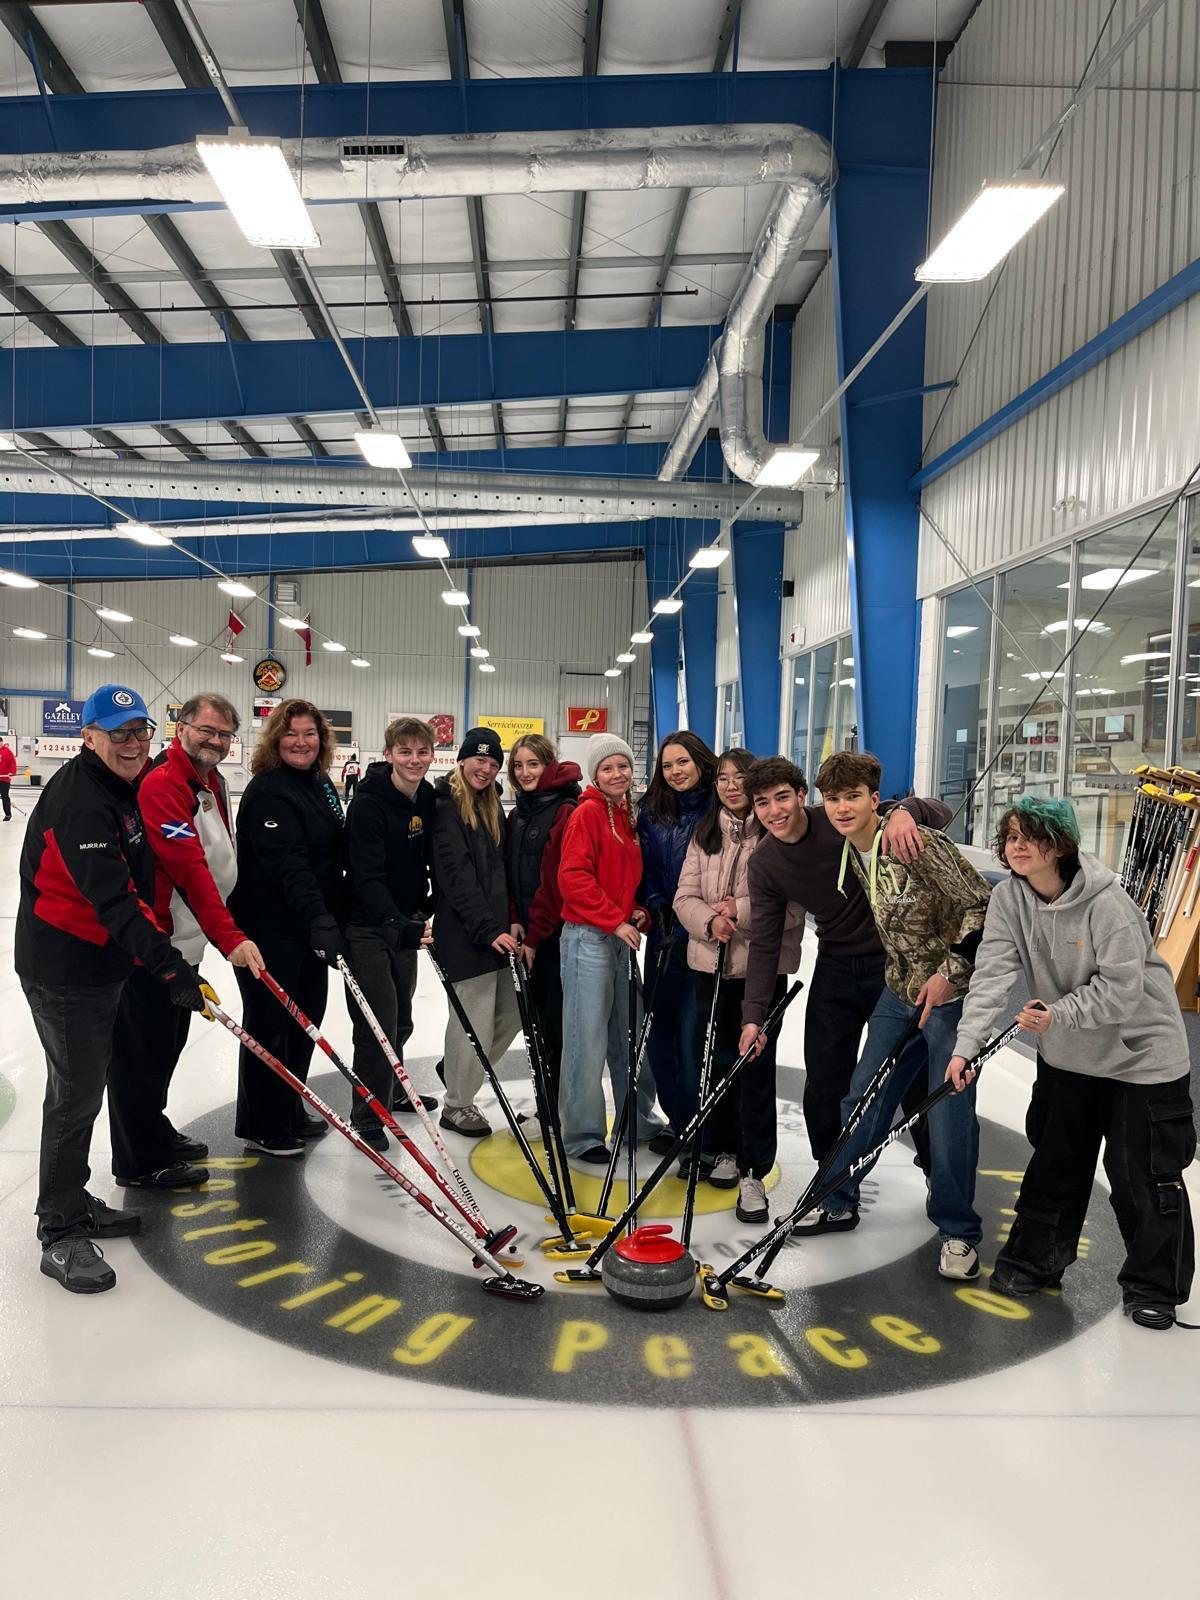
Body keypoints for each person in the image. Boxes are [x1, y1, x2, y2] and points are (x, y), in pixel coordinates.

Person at [947, 796, 1196, 1328]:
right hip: (1068, 1054)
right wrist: (967, 1047)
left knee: (1141, 1175)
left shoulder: (1109, 904)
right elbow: (991, 974)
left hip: (1141, 1059)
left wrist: (1059, 1014)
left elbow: (1122, 992)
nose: (1017, 846)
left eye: (1030, 836)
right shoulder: (1009, 898)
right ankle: (1035, 1262)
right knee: (1055, 1161)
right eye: (1011, 837)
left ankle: (1154, 1286)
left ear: (1059, 845)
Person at [15, 684, 212, 1294]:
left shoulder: (123, 787)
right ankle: (60, 1230)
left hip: (102, 963)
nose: (133, 743)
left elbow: (140, 885)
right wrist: (169, 966)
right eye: (118, 733)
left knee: (88, 1086)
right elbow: (113, 901)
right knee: (74, 1097)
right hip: (64, 968)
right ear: (88, 737)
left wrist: (163, 956)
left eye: (140, 731)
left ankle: (74, 1200)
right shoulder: (80, 801)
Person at [795, 751, 992, 1280]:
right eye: (833, 798)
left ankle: (958, 1232)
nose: (841, 807)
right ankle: (837, 1200)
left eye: (852, 796)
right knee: (862, 1097)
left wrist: (950, 972)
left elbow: (982, 905)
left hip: (951, 1000)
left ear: (874, 800)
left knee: (947, 1114)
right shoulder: (852, 848)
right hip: (898, 991)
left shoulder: (913, 842)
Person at [738, 756, 949, 1166]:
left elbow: (939, 811)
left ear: (802, 796)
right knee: (823, 1082)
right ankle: (831, 1177)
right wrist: (753, 1016)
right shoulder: (764, 863)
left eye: (782, 797)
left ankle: (934, 1170)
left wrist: (905, 812)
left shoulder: (839, 818)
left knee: (912, 1077)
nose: (774, 811)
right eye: (762, 803)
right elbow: (764, 943)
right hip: (835, 965)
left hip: (893, 962)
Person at [110, 692, 264, 1186]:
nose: (215, 741)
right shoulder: (164, 783)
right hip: (156, 944)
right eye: (206, 730)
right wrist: (229, 936)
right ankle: (139, 1161)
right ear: (182, 729)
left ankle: (152, 1129)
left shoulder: (209, 780)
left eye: (224, 734)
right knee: (143, 1053)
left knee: (167, 1045)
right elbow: (188, 867)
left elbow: (219, 860)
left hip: (187, 942)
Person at [673, 748, 804, 1222]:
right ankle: (723, 1149)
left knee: (754, 1069)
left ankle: (753, 1169)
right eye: (723, 779)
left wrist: (739, 912)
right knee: (715, 1063)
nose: (731, 786)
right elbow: (684, 897)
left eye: (740, 777)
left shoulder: (778, 833)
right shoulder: (705, 832)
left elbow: (793, 909)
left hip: (760, 972)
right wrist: (709, 921)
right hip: (709, 966)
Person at [230, 699, 346, 1157]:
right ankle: (263, 1124)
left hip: (306, 928)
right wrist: (320, 917)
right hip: (268, 930)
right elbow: (289, 865)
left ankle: (289, 1107)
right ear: (276, 739)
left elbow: (333, 852)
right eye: (291, 734)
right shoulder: (268, 791)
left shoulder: (319, 783)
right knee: (271, 1024)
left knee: (305, 1019)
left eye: (310, 733)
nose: (301, 742)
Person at [557, 733, 666, 1161]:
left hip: (620, 939)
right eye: (607, 768)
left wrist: (635, 911)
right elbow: (574, 879)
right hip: (588, 939)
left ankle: (636, 1119)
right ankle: (582, 1134)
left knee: (631, 1034)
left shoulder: (626, 816)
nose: (617, 774)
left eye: (623, 766)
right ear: (595, 775)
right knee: (586, 1039)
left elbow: (623, 879)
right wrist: (613, 919)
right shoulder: (586, 814)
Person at [344, 717, 439, 1151]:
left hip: (403, 925)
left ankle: (394, 1090)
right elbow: (365, 876)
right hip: (367, 927)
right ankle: (367, 1116)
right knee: (376, 1024)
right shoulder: (368, 804)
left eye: (422, 752)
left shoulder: (426, 797)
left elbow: (427, 859)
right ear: (388, 755)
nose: (414, 760)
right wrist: (396, 921)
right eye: (405, 752)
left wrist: (426, 905)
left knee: (401, 1018)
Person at [431, 727, 522, 1137]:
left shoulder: (491, 805)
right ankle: (457, 1104)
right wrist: (486, 928)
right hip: (466, 933)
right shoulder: (446, 805)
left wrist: (507, 921)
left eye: (493, 762)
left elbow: (498, 873)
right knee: (473, 1020)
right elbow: (457, 876)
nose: (485, 768)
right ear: (462, 760)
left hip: (495, 930)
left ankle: (456, 1068)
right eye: (478, 759)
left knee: (512, 1013)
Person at [637, 730, 718, 1145]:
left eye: (682, 762)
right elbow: (644, 866)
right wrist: (655, 902)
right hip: (664, 936)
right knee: (660, 1034)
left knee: (693, 1036)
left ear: (701, 761)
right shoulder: (652, 811)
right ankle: (679, 1120)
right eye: (667, 765)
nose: (675, 772)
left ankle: (701, 1127)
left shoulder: (720, 808)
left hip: (704, 937)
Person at [506, 733, 582, 1107]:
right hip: (528, 936)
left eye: (533, 764)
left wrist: (535, 938)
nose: (525, 773)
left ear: (549, 764)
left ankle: (559, 1107)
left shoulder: (565, 810)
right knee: (535, 1026)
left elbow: (555, 884)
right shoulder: (517, 813)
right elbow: (509, 873)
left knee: (556, 1028)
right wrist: (514, 918)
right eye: (518, 765)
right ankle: (546, 1105)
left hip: (554, 938)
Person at [0, 735, 16, 819]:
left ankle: (8, 814)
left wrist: (12, 772)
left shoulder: (7, 752)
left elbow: (12, 763)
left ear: (2, 742)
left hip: (4, 779)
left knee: (4, 796)